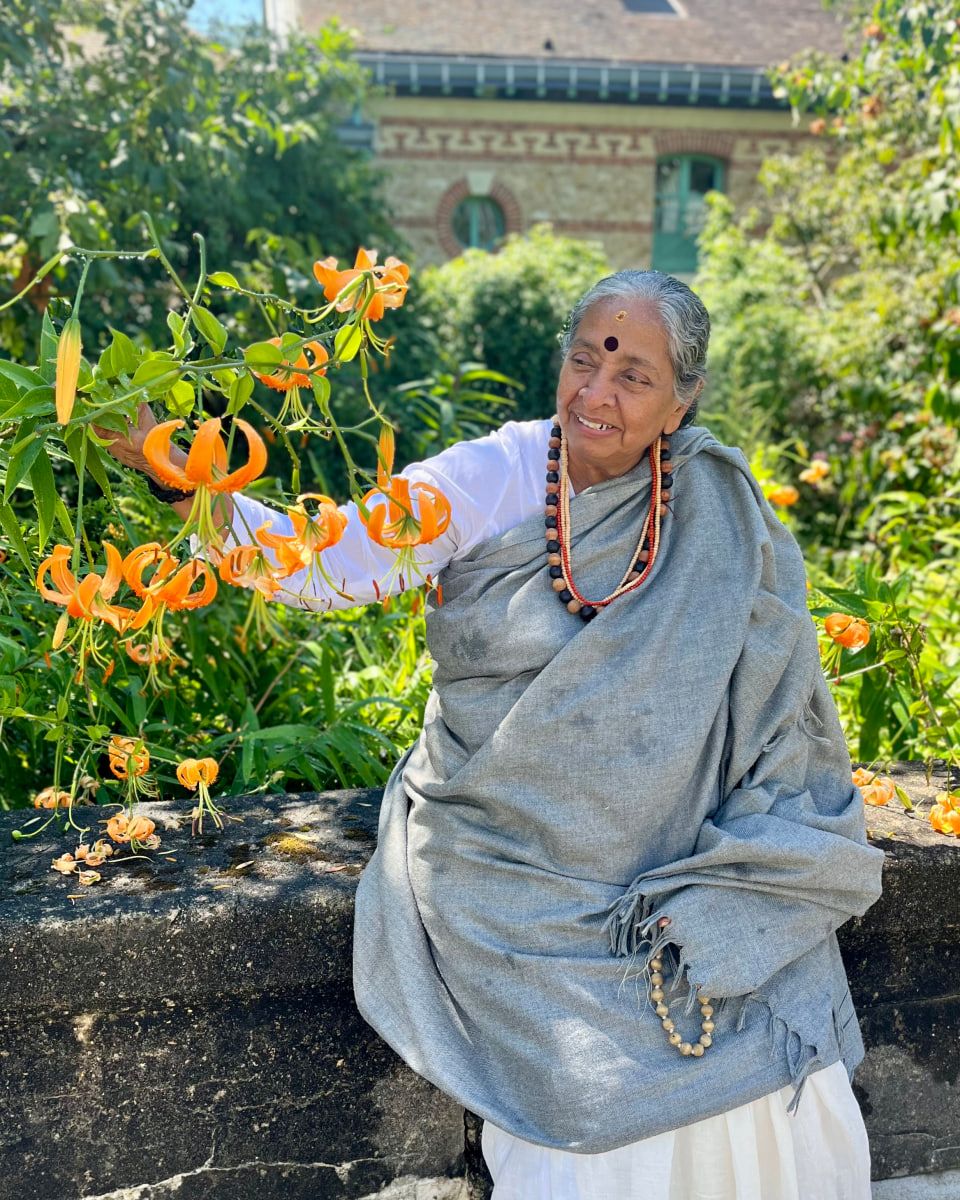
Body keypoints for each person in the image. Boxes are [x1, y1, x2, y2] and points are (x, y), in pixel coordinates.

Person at [105, 270, 885, 1200]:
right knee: (586, 1089)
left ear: (682, 403)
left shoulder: (716, 504)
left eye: (633, 376)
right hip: (505, 852)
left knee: (766, 1058)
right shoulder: (493, 476)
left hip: (671, 846)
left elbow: (773, 696)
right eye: (584, 359)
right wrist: (175, 473)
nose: (596, 393)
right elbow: (322, 565)